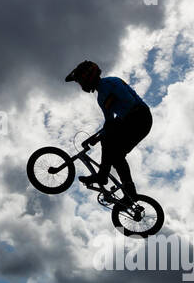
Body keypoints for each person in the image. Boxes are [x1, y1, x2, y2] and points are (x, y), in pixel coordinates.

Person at [65, 61, 151, 201]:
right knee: (116, 155)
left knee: (108, 138)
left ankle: (102, 175)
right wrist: (94, 137)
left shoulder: (111, 82)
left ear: (89, 77)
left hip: (140, 116)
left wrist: (106, 132)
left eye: (81, 81)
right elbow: (109, 121)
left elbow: (129, 103)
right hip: (133, 121)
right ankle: (130, 192)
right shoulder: (101, 98)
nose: (81, 86)